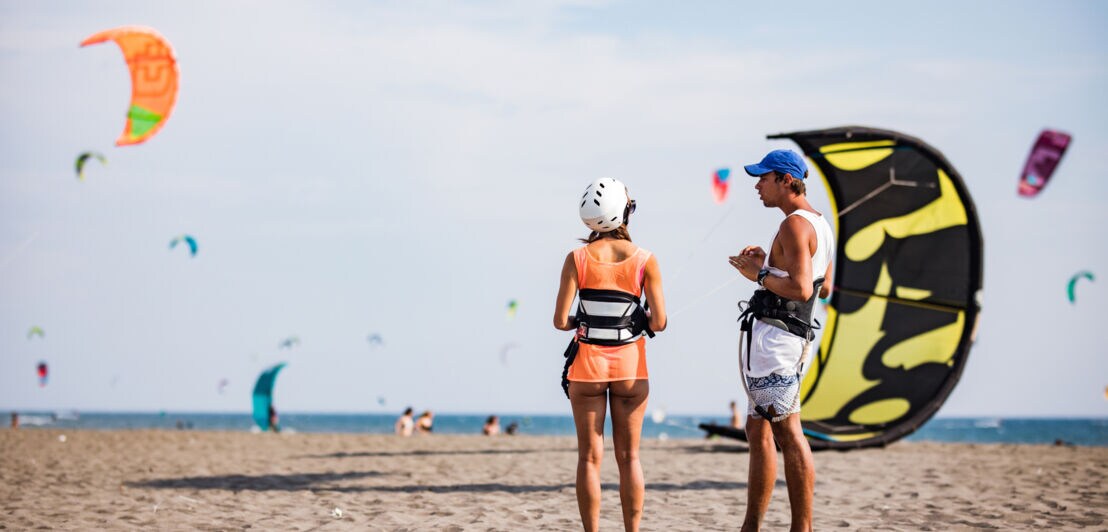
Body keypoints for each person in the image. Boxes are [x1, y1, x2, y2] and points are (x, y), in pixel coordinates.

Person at [729, 149, 834, 532]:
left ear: (786, 180)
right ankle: (751, 525)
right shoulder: (820, 224)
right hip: (792, 340)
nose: (757, 185)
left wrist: (759, 274)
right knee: (758, 429)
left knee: (788, 432)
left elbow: (804, 289)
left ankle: (800, 527)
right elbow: (824, 289)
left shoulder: (793, 225)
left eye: (764, 177)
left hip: (776, 341)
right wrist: (771, 263)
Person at [554, 177, 667, 532]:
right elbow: (660, 322)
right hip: (631, 367)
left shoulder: (577, 258)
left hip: (587, 366)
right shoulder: (645, 260)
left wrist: (584, 320)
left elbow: (560, 321)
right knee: (630, 457)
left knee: (589, 458)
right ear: (623, 214)